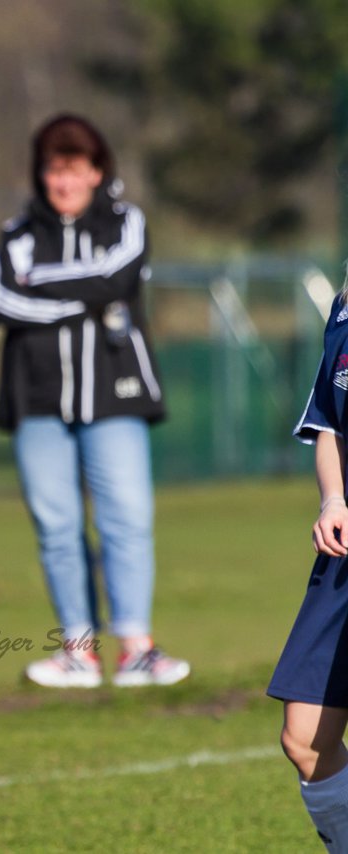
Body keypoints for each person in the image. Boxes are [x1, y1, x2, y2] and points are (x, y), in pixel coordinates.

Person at [0, 113, 189, 688]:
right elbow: (2, 298)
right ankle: (77, 650)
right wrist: (83, 298)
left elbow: (117, 278)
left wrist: (44, 284)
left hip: (115, 395)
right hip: (38, 400)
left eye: (75, 171)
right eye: (54, 171)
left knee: (126, 517)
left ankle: (136, 648)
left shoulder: (127, 222)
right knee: (56, 524)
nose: (64, 183)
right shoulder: (17, 233)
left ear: (98, 172)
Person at [270, 284, 348, 851]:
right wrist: (334, 501)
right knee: (305, 737)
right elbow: (329, 425)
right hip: (345, 550)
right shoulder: (344, 307)